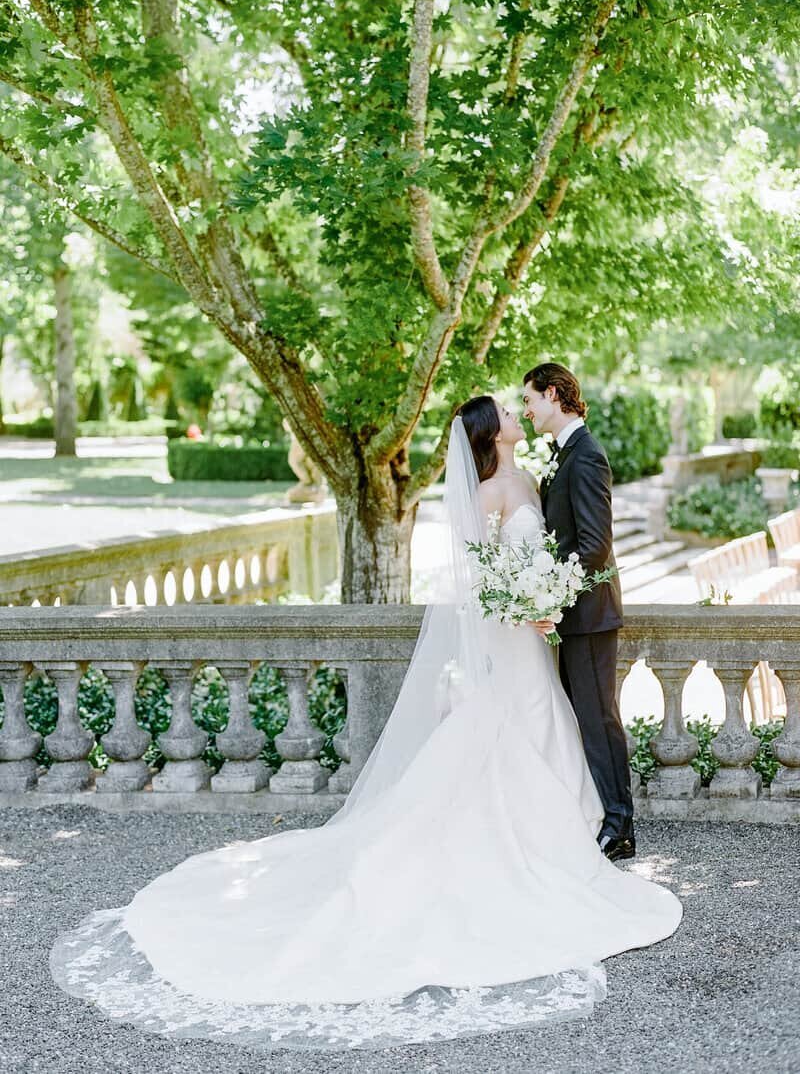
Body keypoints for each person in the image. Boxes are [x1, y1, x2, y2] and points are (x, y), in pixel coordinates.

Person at [50, 396, 681, 1052]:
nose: (517, 412)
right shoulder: (491, 491)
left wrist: (546, 598)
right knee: (510, 730)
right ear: (494, 434)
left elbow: (553, 550)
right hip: (514, 634)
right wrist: (524, 606)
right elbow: (477, 578)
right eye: (508, 411)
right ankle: (520, 842)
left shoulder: (529, 478)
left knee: (543, 721)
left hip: (537, 637)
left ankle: (571, 831)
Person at [522, 363, 634, 861]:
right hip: (575, 614)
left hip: (589, 615)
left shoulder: (586, 457)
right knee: (587, 718)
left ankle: (620, 825)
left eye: (530, 401)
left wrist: (551, 597)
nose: (526, 411)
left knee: (599, 719)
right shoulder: (563, 454)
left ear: (552, 394)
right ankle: (604, 815)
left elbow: (594, 545)